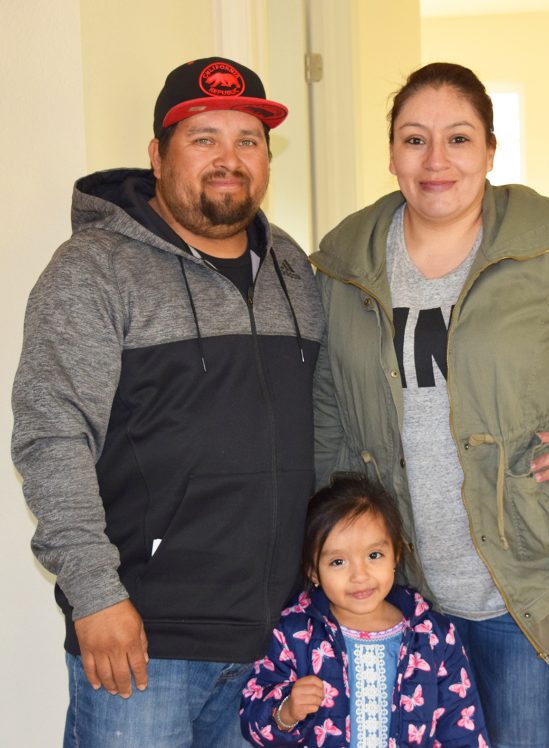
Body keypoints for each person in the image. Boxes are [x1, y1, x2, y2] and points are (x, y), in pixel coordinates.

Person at [309, 62, 549, 748]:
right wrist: (328, 552)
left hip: (531, 580)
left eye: (459, 139)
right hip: (404, 588)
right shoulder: (345, 262)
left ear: (490, 151)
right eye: (414, 139)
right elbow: (328, 412)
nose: (436, 161)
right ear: (391, 152)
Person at [11, 56, 324, 747]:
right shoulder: (94, 270)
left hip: (276, 639)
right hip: (145, 641)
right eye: (202, 137)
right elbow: (51, 436)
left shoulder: (295, 271)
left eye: (247, 139)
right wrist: (95, 596)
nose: (229, 158)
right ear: (157, 155)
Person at [240, 473, 490, 747]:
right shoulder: (294, 635)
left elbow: (463, 731)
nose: (360, 575)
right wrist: (286, 712)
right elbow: (254, 725)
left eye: (374, 555)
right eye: (338, 561)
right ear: (313, 570)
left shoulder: (435, 637)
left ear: (395, 554)